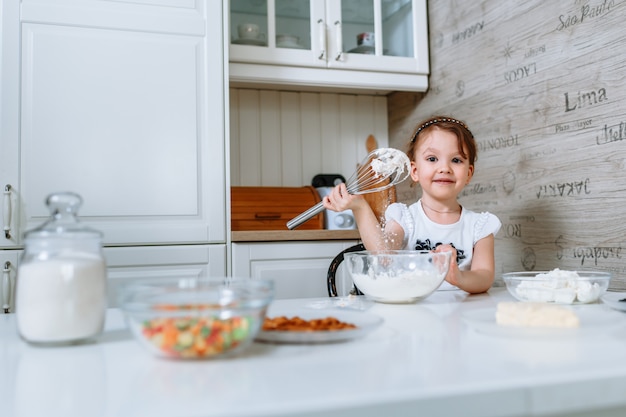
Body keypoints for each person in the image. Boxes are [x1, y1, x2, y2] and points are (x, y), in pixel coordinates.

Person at [322, 116, 501, 294]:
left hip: (460, 317)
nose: (444, 168)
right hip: (413, 314)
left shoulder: (480, 226)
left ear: (469, 173)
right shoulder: (404, 219)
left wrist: (458, 277)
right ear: (415, 171)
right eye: (432, 159)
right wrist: (360, 207)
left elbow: (484, 277)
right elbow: (384, 255)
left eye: (456, 160)